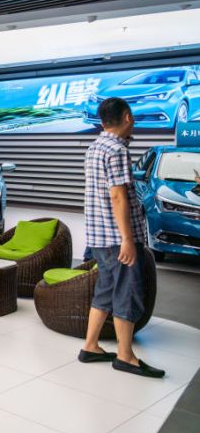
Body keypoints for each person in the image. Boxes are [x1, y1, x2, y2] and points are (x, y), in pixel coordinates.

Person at [80, 97, 164, 378]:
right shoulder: (117, 150)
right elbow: (117, 196)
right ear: (127, 116)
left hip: (99, 236)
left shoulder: (95, 147)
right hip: (117, 238)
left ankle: (91, 346)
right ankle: (126, 356)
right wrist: (128, 239)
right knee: (126, 293)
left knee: (105, 289)